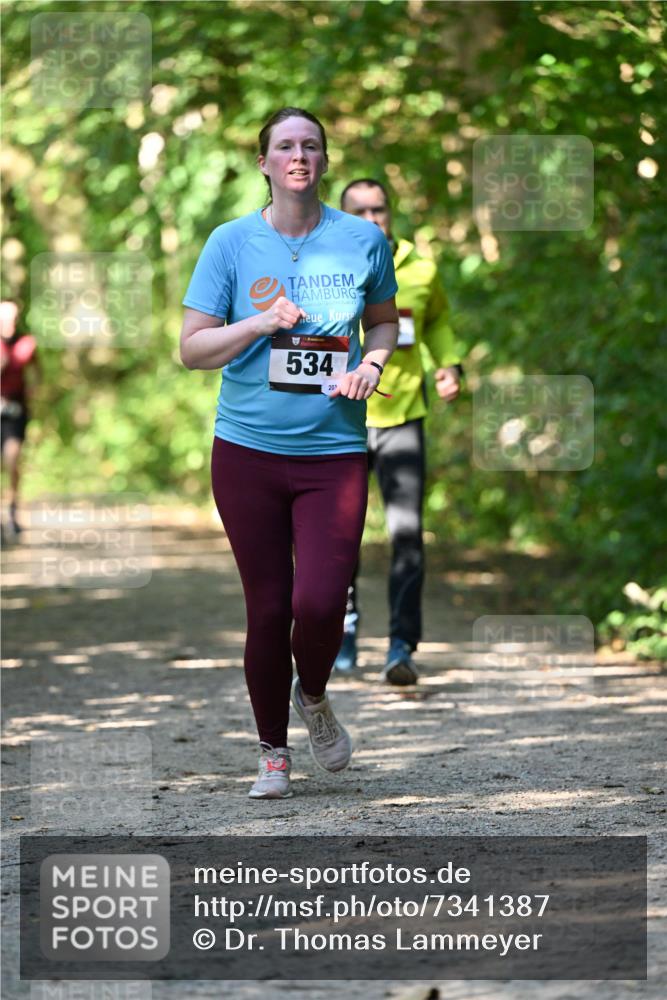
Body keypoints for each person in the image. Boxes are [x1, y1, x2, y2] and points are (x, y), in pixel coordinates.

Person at [180, 109, 398, 800]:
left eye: (309, 145)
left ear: (324, 160)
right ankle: (272, 751)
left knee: (322, 599)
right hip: (246, 451)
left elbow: (385, 322)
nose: (297, 155)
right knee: (269, 608)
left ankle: (314, 694)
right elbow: (191, 349)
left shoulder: (362, 239)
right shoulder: (230, 243)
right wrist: (257, 323)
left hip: (333, 452)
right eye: (284, 145)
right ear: (264, 162)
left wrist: (374, 363)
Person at [334, 179, 463, 685]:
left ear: (392, 212)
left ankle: (400, 646)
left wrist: (449, 365)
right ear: (341, 216)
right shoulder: (324, 267)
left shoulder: (422, 269)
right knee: (337, 536)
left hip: (403, 415)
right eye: (358, 211)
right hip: (340, 420)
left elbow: (438, 323)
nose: (370, 219)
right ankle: (340, 635)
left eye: (379, 209)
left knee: (407, 534)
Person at [1, 300, 39, 542]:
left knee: (12, 459)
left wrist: (31, 394)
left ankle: (13, 510)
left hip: (16, 409)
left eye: (13, 318)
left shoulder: (27, 344)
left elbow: (36, 375)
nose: (9, 323)